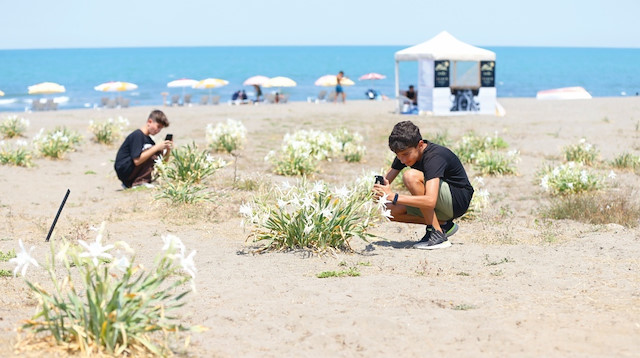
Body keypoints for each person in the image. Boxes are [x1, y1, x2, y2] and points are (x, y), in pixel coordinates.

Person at [373, 121, 474, 250]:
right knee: (388, 211)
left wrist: (393, 196)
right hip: (441, 201)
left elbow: (430, 201)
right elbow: (387, 180)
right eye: (398, 156)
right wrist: (378, 192)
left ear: (420, 145)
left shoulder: (434, 156)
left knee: (411, 176)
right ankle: (443, 225)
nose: (402, 160)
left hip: (457, 200)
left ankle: (437, 233)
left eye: (405, 154)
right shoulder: (403, 153)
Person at [114, 109, 172, 189]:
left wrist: (168, 150)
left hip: (132, 172)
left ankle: (141, 180)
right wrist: (156, 148)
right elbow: (137, 161)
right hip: (125, 171)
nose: (158, 131)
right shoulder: (137, 135)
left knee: (157, 152)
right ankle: (139, 182)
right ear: (149, 122)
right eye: (158, 127)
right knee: (153, 151)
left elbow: (162, 163)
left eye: (160, 129)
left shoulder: (149, 140)